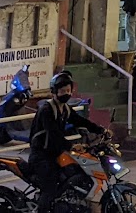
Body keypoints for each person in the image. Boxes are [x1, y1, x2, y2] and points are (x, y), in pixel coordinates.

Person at [29, 71, 105, 212]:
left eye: (68, 90)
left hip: (55, 153)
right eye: (62, 91)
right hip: (41, 155)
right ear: (54, 92)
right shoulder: (46, 109)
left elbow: (79, 120)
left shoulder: (65, 109)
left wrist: (100, 130)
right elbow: (53, 134)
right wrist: (71, 146)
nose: (66, 94)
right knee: (50, 188)